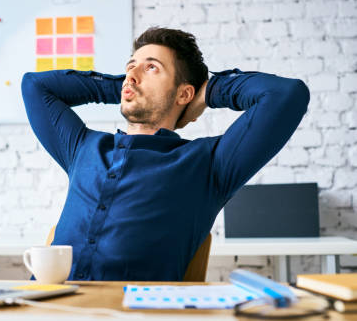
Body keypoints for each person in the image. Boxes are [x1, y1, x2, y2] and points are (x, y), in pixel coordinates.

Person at [21, 27, 310, 281]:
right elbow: (34, 85)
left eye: (151, 68)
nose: (130, 75)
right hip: (43, 312)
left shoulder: (209, 164)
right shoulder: (83, 146)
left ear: (184, 94)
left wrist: (209, 91)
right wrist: (127, 85)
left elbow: (286, 95)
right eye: (130, 66)